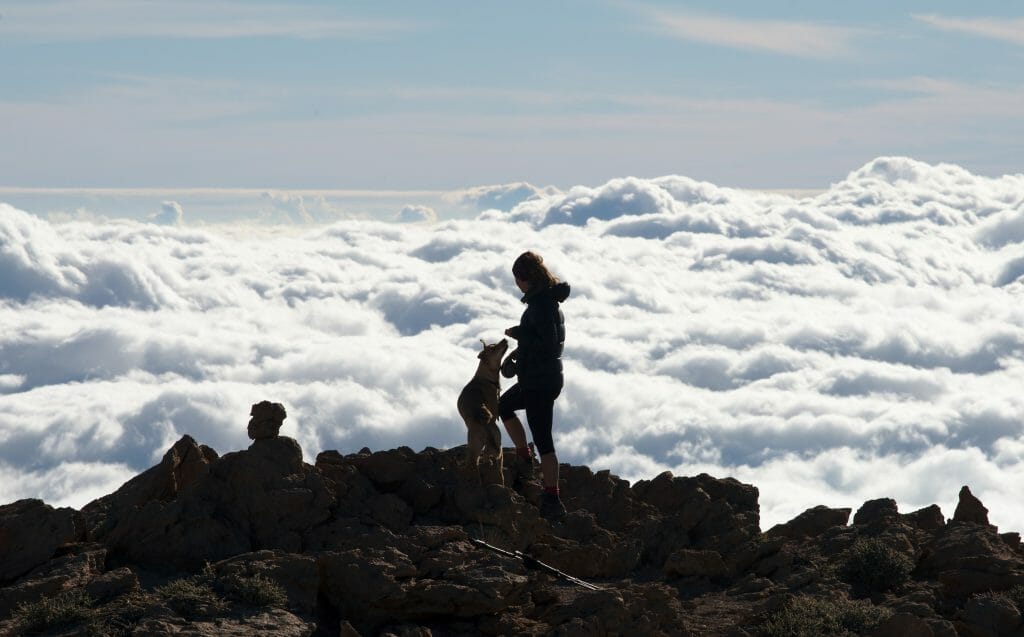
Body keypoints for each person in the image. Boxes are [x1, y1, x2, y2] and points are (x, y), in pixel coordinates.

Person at [498, 251, 571, 520]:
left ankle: (552, 497)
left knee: (544, 440)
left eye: (517, 279)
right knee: (503, 405)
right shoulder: (545, 301)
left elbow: (548, 344)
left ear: (526, 279)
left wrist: (522, 335)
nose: (517, 284)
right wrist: (519, 355)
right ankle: (524, 456)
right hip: (540, 377)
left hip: (540, 382)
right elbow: (542, 343)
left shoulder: (541, 306)